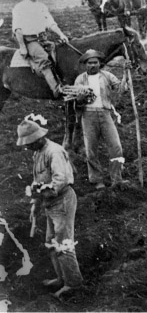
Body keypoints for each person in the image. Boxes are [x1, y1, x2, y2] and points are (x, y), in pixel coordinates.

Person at [18, 118, 83, 298]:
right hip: (49, 203)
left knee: (63, 244)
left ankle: (74, 284)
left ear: (38, 138)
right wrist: (35, 204)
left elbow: (59, 180)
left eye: (29, 144)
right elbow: (38, 181)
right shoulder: (38, 153)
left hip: (62, 201)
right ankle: (62, 278)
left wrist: (41, 194)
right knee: (51, 243)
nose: (27, 147)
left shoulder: (54, 152)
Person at [73, 49, 131, 189]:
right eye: (89, 63)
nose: (92, 65)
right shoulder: (80, 79)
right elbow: (77, 99)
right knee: (91, 149)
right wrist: (81, 95)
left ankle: (117, 178)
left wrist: (125, 74)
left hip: (105, 113)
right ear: (86, 65)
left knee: (116, 147)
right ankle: (96, 179)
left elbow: (120, 90)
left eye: (95, 63)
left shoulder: (107, 76)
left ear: (100, 64)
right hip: (88, 116)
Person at [12, 0, 70, 97]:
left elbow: (51, 23)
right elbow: (17, 29)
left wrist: (61, 35)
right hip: (29, 41)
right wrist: (23, 47)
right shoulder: (20, 8)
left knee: (57, 53)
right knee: (43, 58)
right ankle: (56, 90)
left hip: (43, 39)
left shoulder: (41, 6)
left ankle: (61, 80)